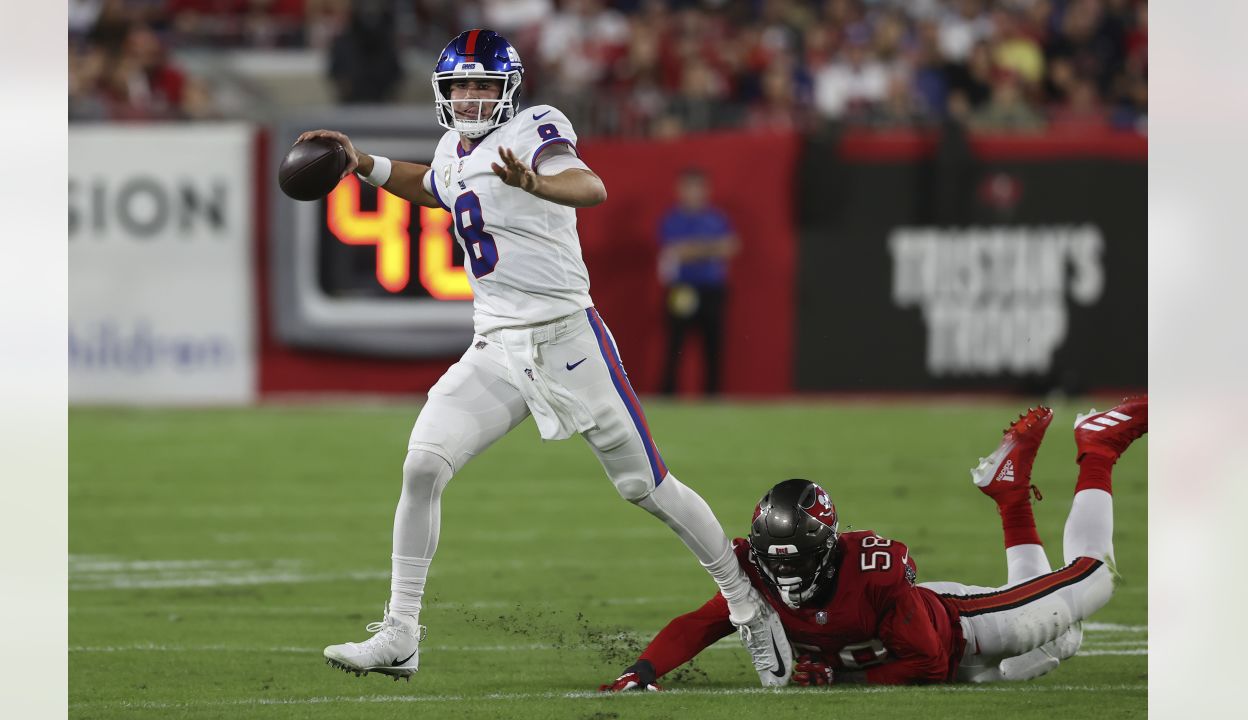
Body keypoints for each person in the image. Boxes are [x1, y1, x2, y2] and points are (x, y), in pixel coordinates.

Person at [296, 28, 788, 684]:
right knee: (422, 466)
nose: (471, 98)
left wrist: (536, 182)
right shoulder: (451, 148)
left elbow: (589, 186)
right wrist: (365, 164)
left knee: (648, 487)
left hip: (566, 338)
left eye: (483, 85)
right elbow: (436, 187)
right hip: (496, 345)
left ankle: (747, 606)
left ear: (509, 89)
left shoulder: (534, 128)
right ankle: (401, 632)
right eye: (461, 86)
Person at [600, 396, 1147, 690]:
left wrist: (839, 675)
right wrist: (642, 670)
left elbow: (929, 663)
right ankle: (1011, 497)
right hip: (914, 655)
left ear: (830, 550)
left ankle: (1098, 446)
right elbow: (700, 623)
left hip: (963, 631)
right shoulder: (756, 574)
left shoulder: (874, 572)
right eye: (773, 562)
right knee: (1061, 644)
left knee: (1094, 579)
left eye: (797, 560)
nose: (783, 576)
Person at [657, 168, 738, 396]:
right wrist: (711, 248)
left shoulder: (717, 218)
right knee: (676, 344)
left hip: (712, 288)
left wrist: (694, 249)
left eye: (697, 188)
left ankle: (713, 396)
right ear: (680, 191)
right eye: (688, 187)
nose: (692, 193)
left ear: (705, 190)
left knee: (713, 345)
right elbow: (675, 251)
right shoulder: (672, 219)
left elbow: (731, 246)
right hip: (682, 289)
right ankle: (668, 395)